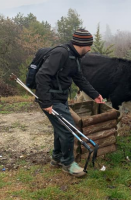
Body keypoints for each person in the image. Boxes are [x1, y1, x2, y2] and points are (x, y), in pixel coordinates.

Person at [35, 29, 104, 177]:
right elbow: (42, 75)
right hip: (51, 100)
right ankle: (68, 164)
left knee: (60, 129)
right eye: (89, 45)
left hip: (60, 98)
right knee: (68, 131)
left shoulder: (74, 56)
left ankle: (56, 158)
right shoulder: (61, 53)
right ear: (82, 44)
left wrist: (95, 94)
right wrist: (46, 102)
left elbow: (79, 78)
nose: (90, 49)